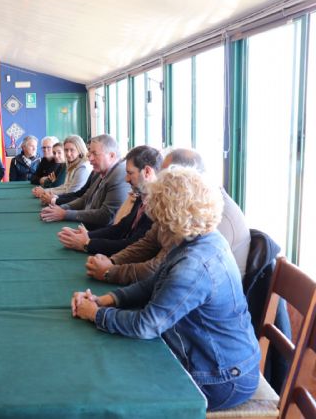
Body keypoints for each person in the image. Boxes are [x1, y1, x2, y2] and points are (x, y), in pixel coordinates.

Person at [71, 166, 260, 411]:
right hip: (223, 362)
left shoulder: (193, 266)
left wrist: (95, 314)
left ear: (171, 217)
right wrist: (108, 299)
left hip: (221, 378)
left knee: (116, 388)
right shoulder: (203, 238)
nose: (155, 224)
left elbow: (146, 325)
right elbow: (155, 282)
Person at [85, 148, 250, 284]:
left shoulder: (213, 214)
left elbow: (163, 266)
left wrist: (110, 272)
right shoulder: (183, 202)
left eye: (164, 176)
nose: (158, 181)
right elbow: (149, 241)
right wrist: (113, 261)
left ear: (185, 180)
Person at [57, 145, 161, 255]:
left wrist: (88, 243)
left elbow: (133, 244)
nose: (126, 179)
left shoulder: (159, 204)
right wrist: (87, 236)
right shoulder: (143, 194)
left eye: (130, 173)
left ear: (147, 172)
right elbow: (121, 228)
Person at [40, 135, 129, 229]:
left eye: (95, 153)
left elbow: (106, 216)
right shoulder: (99, 171)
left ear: (111, 155)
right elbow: (85, 198)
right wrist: (62, 208)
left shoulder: (119, 174)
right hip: (86, 225)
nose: (90, 158)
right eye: (90, 153)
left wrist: (65, 214)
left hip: (98, 232)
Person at [33, 135, 91, 200]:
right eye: (66, 150)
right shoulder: (72, 163)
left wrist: (51, 198)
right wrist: (45, 191)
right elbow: (65, 187)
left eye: (72, 150)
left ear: (80, 150)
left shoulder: (83, 167)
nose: (68, 154)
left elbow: (72, 192)